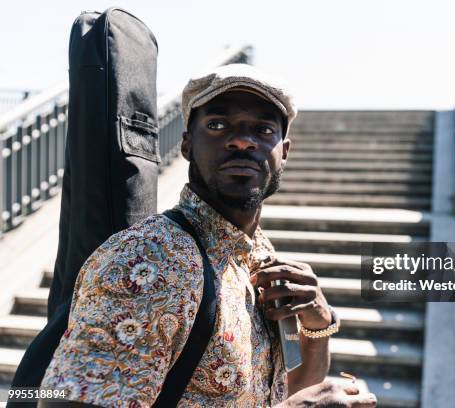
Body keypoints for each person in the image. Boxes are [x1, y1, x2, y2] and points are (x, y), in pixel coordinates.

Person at [37, 64, 377, 408]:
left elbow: (282, 392)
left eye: (263, 128)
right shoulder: (152, 259)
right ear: (187, 144)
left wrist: (318, 326)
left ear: (284, 152)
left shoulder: (258, 254)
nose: (242, 140)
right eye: (217, 124)